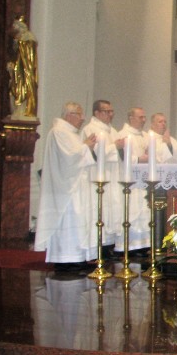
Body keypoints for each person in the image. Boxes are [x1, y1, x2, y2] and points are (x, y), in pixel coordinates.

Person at [34, 103, 97, 272]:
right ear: (68, 115)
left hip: (76, 186)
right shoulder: (58, 132)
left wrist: (85, 146)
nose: (82, 118)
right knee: (69, 219)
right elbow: (69, 158)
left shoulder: (71, 133)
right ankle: (65, 258)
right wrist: (86, 147)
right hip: (66, 189)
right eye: (79, 114)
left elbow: (76, 154)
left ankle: (78, 256)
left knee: (78, 220)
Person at [80, 100, 125, 254]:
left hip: (113, 176)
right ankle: (99, 248)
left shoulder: (113, 131)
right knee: (101, 210)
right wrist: (116, 147)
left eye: (112, 111)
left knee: (113, 210)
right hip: (98, 177)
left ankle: (109, 246)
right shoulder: (90, 129)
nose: (110, 114)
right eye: (107, 111)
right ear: (97, 113)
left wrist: (121, 148)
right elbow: (95, 153)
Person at [118, 107, 150, 253]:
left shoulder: (145, 136)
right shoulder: (123, 135)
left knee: (145, 212)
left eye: (144, 117)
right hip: (130, 182)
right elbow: (120, 158)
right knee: (132, 212)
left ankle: (144, 244)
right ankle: (131, 245)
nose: (143, 120)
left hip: (143, 182)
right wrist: (138, 159)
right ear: (131, 118)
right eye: (140, 117)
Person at [6, 17, 38, 119]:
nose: (14, 28)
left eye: (15, 25)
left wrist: (19, 43)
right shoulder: (18, 38)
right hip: (18, 71)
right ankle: (17, 111)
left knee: (23, 89)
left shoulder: (28, 38)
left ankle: (23, 111)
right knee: (14, 90)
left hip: (24, 72)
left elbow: (27, 59)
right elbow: (17, 57)